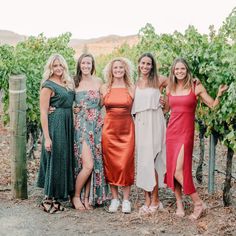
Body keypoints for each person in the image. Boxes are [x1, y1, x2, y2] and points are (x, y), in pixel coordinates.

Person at [164, 58, 228, 220]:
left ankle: (198, 203)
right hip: (171, 132)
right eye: (176, 69)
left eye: (182, 69)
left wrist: (219, 94)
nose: (179, 71)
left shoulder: (196, 86)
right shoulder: (169, 88)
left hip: (185, 132)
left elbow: (213, 105)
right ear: (173, 71)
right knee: (172, 170)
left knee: (179, 169)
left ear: (187, 70)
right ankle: (179, 204)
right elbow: (166, 109)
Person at [37, 53, 75, 214]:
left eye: (60, 65)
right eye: (55, 66)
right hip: (56, 124)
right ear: (50, 68)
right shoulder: (48, 85)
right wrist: (47, 137)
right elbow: (44, 112)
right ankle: (47, 198)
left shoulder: (67, 82)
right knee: (54, 156)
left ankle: (57, 197)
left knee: (63, 158)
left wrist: (74, 109)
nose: (58, 68)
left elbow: (69, 102)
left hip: (67, 122)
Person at [132, 53, 167, 214]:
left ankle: (155, 199)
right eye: (143, 63)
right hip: (140, 122)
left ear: (152, 66)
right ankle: (148, 199)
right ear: (139, 64)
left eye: (149, 64)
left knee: (153, 159)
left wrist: (166, 101)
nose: (145, 66)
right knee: (144, 161)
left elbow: (178, 83)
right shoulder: (135, 83)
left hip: (155, 120)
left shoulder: (159, 80)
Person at [72, 53, 108, 210]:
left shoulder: (99, 81)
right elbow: (67, 102)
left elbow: (102, 104)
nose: (86, 66)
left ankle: (87, 198)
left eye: (89, 63)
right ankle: (75, 196)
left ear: (92, 65)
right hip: (81, 126)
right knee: (87, 164)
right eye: (83, 63)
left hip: (96, 126)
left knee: (93, 163)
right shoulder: (73, 82)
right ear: (79, 65)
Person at [100, 57, 135, 213]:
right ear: (111, 70)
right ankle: (114, 199)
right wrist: (77, 110)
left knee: (126, 164)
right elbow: (93, 106)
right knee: (111, 164)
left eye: (121, 67)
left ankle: (126, 200)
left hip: (127, 130)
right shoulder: (105, 87)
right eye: (116, 68)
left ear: (125, 69)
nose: (118, 70)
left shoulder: (132, 87)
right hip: (109, 130)